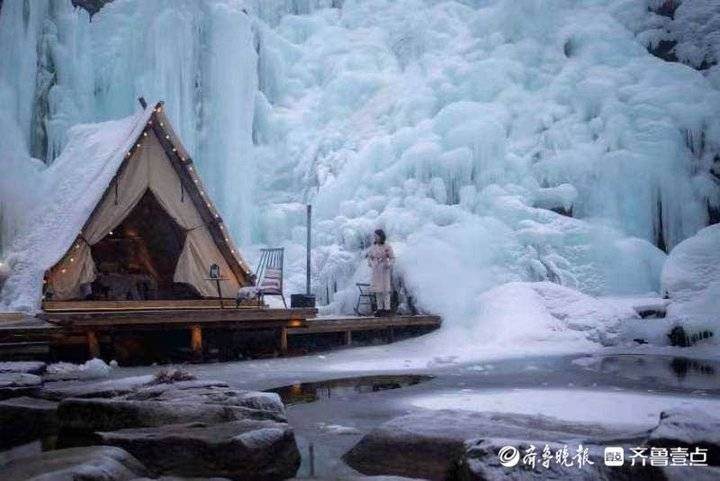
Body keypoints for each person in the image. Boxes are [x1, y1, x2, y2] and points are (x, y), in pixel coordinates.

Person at [367, 229, 395, 314]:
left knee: (385, 289)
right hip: (376, 269)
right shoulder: (373, 247)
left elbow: (393, 257)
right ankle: (380, 309)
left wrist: (389, 264)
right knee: (377, 290)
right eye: (374, 236)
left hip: (384, 269)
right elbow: (369, 257)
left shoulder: (387, 246)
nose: (375, 238)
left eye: (377, 236)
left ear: (381, 236)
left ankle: (387, 308)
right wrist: (371, 264)